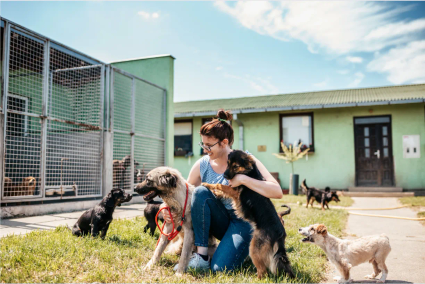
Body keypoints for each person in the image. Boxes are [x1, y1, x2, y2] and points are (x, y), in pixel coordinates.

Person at [162, 109, 283, 272]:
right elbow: (184, 197)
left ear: (224, 143)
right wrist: (167, 210)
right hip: (218, 221)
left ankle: (240, 249)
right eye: (202, 144)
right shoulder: (202, 164)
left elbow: (277, 191)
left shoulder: (245, 159)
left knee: (220, 269)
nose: (205, 149)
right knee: (200, 192)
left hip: (242, 223)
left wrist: (244, 179)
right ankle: (202, 256)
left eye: (209, 145)